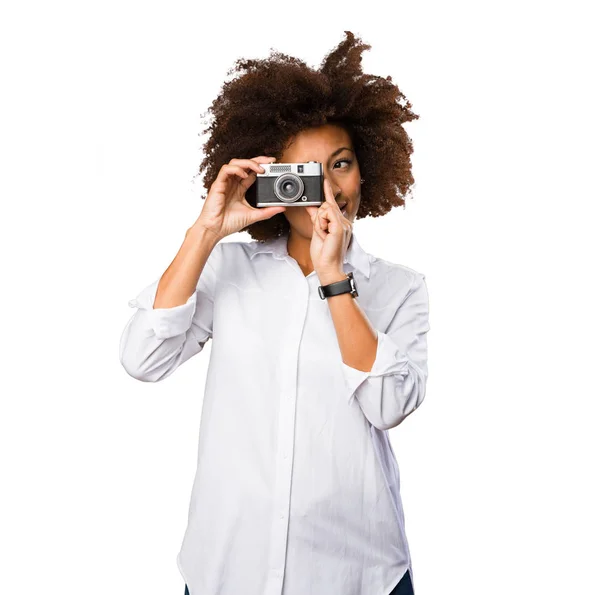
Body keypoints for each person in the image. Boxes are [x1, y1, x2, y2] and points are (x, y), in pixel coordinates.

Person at [119, 31, 429, 595]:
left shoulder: (400, 289)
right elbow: (143, 357)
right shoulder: (227, 270)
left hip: (354, 574)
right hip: (227, 568)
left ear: (367, 171)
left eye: (341, 164)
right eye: (305, 176)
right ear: (275, 187)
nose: (329, 190)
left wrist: (335, 277)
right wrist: (207, 230)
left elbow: (388, 406)